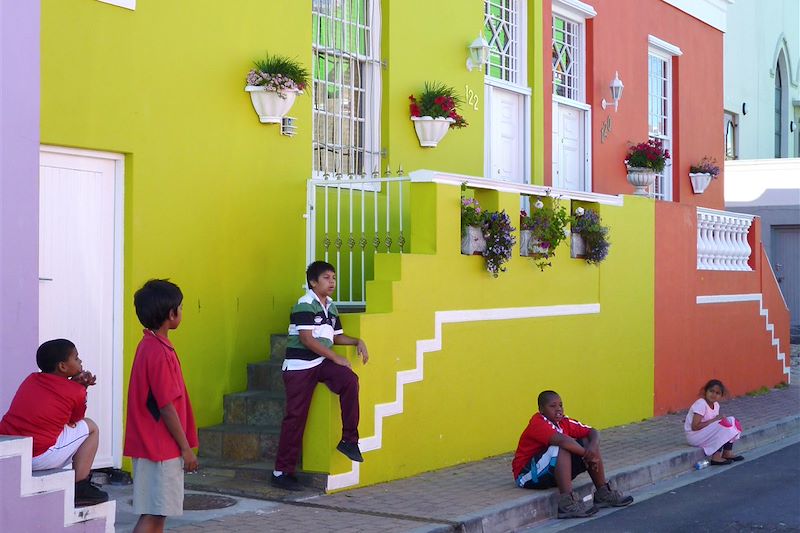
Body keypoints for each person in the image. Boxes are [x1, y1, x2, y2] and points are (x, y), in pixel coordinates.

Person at [271, 261, 369, 492]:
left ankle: (349, 441)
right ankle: (282, 472)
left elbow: (336, 338)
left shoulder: (331, 307)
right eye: (326, 278)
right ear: (313, 282)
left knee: (349, 381)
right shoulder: (304, 304)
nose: (332, 282)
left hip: (320, 362)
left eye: (333, 277)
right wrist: (335, 358)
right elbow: (306, 339)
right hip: (299, 367)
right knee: (295, 417)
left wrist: (357, 341)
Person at [124, 279, 198, 533]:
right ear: (171, 313)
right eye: (180, 307)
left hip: (154, 444)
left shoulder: (152, 345)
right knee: (155, 515)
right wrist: (185, 448)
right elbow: (166, 405)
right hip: (160, 447)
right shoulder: (157, 351)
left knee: (156, 513)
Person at [0, 339, 108, 506]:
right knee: (91, 427)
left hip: (13, 451)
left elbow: (56, 395)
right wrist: (82, 388)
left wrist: (74, 386)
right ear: (63, 367)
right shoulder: (76, 391)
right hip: (39, 455)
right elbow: (74, 420)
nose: (80, 361)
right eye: (76, 358)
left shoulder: (31, 379)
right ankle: (80, 487)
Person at [512, 390, 633, 519]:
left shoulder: (564, 421)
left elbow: (593, 431)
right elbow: (563, 441)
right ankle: (567, 504)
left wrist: (591, 448)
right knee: (562, 447)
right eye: (552, 406)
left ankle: (603, 493)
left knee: (587, 440)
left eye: (560, 405)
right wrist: (589, 455)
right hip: (527, 476)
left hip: (548, 472)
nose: (558, 409)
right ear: (541, 409)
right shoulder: (537, 423)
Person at [684, 379, 743, 465]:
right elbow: (695, 427)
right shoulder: (701, 404)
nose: (714, 395)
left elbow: (715, 424)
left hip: (704, 433)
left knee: (733, 421)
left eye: (717, 393)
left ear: (721, 396)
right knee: (723, 426)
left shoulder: (716, 405)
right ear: (705, 392)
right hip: (694, 436)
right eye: (711, 391)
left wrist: (719, 420)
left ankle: (727, 452)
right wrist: (715, 420)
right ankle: (716, 456)